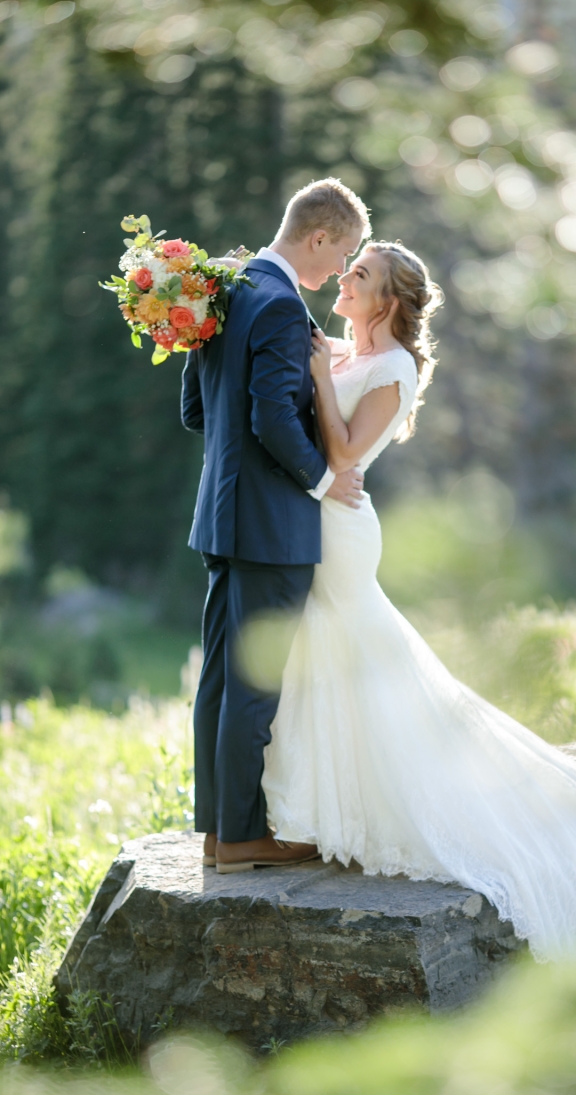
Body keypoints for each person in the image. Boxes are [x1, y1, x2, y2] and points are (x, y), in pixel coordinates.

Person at [259, 238, 576, 1018]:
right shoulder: (345, 348)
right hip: (318, 522)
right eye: (349, 268)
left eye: (363, 275)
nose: (346, 278)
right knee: (336, 660)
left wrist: (313, 374)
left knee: (362, 660)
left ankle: (374, 806)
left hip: (341, 529)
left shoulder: (396, 370)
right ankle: (317, 808)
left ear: (392, 302)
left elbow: (344, 455)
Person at [181, 178, 370, 871]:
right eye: (342, 253)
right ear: (318, 237)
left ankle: (217, 830)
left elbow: (197, 413)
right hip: (272, 526)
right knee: (254, 687)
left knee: (220, 682)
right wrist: (325, 480)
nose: (340, 271)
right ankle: (239, 839)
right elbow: (271, 420)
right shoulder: (285, 308)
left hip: (221, 517)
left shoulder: (226, 291)